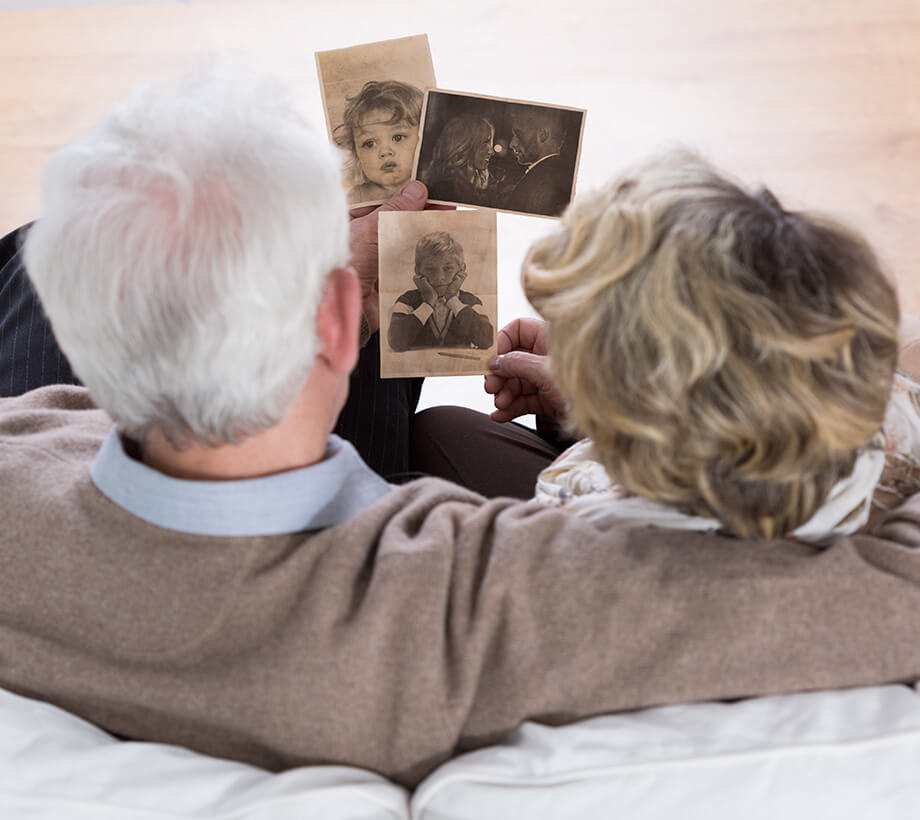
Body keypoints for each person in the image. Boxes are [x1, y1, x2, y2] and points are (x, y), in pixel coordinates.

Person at [3, 68, 920, 792]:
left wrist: (328, 290)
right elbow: (888, 595)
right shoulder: (488, 605)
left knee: (40, 249)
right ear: (335, 318)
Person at [417, 150, 920, 544]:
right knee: (444, 426)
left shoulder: (579, 502)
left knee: (435, 436)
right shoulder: (894, 413)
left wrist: (593, 412)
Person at [387, 230, 493, 351]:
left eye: (448, 268)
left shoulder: (471, 301)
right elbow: (395, 342)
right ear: (418, 271)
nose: (439, 277)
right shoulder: (407, 300)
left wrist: (453, 300)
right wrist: (427, 304)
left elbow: (487, 340)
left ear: (462, 269)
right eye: (430, 269)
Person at [333, 79, 423, 205]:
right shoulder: (354, 198)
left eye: (398, 137)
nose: (385, 152)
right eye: (370, 144)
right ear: (356, 153)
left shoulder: (437, 190)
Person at [507, 106, 573, 216]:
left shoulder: (538, 183)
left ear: (543, 135)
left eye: (519, 135)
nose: (512, 144)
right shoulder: (562, 175)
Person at [420, 114, 497, 207]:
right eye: (485, 142)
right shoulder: (448, 189)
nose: (491, 152)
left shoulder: (480, 183)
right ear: (465, 145)